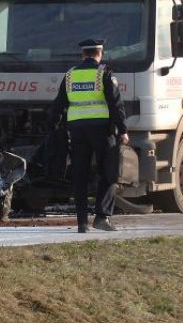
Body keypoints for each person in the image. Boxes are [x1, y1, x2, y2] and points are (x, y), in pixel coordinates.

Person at [48, 38, 129, 233]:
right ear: (99, 53)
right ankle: (102, 217)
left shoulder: (70, 76)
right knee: (109, 172)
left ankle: (82, 223)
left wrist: (53, 128)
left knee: (80, 176)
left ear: (83, 54)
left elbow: (58, 105)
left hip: (76, 131)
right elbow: (115, 103)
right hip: (102, 131)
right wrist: (123, 130)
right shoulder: (104, 73)